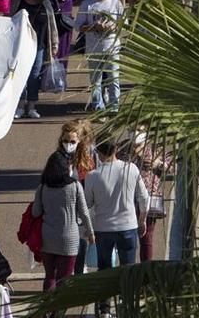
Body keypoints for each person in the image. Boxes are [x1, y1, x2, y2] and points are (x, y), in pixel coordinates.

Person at [84, 141, 149, 318]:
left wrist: (87, 228)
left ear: (99, 153)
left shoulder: (93, 176)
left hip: (103, 228)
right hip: (128, 226)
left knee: (104, 269)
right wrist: (142, 220)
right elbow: (144, 198)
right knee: (128, 269)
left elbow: (87, 203)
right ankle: (128, 306)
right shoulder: (131, 169)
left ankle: (104, 309)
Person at [33, 151, 94, 291]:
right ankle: (58, 311)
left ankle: (47, 309)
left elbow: (36, 212)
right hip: (69, 239)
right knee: (64, 279)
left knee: (50, 276)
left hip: (47, 238)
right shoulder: (75, 186)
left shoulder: (42, 188)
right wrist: (91, 232)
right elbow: (84, 212)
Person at [76, 0, 124, 112]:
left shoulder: (115, 3)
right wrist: (93, 27)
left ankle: (114, 107)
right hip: (94, 48)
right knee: (95, 81)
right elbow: (78, 26)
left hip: (112, 47)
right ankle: (98, 107)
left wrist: (113, 26)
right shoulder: (87, 4)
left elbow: (123, 22)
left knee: (113, 79)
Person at [14, 0, 58, 119]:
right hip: (21, 47)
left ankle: (32, 106)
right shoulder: (17, 2)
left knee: (34, 76)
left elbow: (52, 25)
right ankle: (20, 105)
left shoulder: (45, 3)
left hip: (39, 47)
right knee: (20, 75)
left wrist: (54, 44)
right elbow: (9, 21)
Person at [56, 120, 97, 274]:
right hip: (64, 205)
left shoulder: (88, 157)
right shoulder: (58, 157)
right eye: (65, 141)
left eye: (72, 141)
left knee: (81, 239)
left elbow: (93, 179)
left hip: (84, 204)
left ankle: (79, 269)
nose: (68, 144)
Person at [125, 126, 170, 262]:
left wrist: (159, 164)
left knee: (147, 237)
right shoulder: (123, 148)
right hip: (126, 198)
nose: (135, 133)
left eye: (139, 129)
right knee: (127, 237)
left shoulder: (155, 148)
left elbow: (170, 166)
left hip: (149, 197)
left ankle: (146, 269)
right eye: (132, 129)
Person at [48, 0, 84, 74]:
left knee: (63, 50)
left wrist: (71, 1)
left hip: (64, 23)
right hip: (48, 22)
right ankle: (46, 78)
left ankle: (60, 78)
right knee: (48, 49)